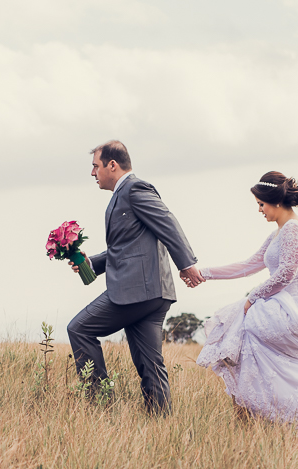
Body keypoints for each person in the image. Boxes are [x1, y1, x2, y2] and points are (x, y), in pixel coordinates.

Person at [187, 172, 298, 438]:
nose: (259, 210)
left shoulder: (294, 229)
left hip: (297, 307)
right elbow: (249, 265)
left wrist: (252, 298)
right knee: (240, 342)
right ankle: (256, 415)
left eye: (261, 204)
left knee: (239, 335)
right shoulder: (279, 232)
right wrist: (203, 273)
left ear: (275, 201)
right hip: (282, 302)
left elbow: (286, 274)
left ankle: (263, 415)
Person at [67, 141, 203, 415]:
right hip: (151, 292)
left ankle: (102, 406)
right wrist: (89, 262)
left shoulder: (134, 189)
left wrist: (187, 264)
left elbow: (169, 224)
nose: (93, 173)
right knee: (150, 364)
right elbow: (127, 249)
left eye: (95, 166)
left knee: (79, 328)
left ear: (112, 165)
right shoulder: (124, 194)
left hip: (135, 292)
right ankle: (160, 424)